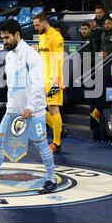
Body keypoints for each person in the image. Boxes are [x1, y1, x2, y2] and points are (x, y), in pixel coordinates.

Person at [0, 19, 57, 195]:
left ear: (17, 35)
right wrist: (10, 107)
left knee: (42, 145)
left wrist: (30, 106)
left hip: (34, 111)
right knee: (0, 143)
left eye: (7, 38)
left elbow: (37, 84)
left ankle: (51, 180)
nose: (4, 41)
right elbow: (14, 85)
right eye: (2, 38)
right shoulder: (9, 56)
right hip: (13, 111)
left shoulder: (32, 56)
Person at [33, 13, 65, 154]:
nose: (35, 28)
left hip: (53, 79)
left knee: (53, 109)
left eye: (37, 25)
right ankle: (59, 129)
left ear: (44, 23)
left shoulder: (56, 37)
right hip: (42, 78)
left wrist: (57, 80)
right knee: (37, 109)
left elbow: (59, 60)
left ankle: (56, 143)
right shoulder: (41, 37)